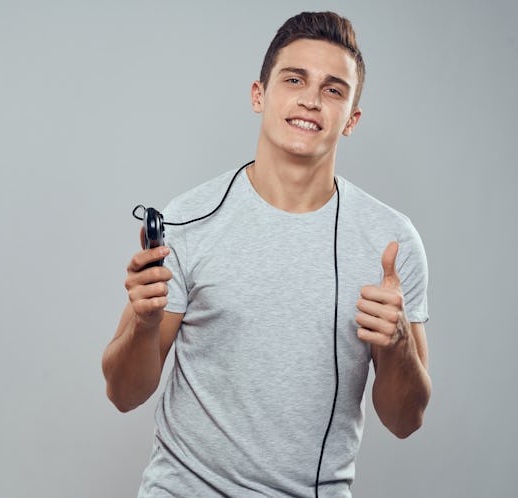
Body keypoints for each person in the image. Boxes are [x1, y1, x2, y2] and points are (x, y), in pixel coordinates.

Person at [102, 11, 431, 497]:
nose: (311, 100)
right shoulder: (189, 219)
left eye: (334, 89)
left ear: (352, 120)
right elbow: (123, 394)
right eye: (294, 79)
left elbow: (406, 421)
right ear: (260, 94)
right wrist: (145, 323)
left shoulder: (390, 242)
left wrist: (398, 344)